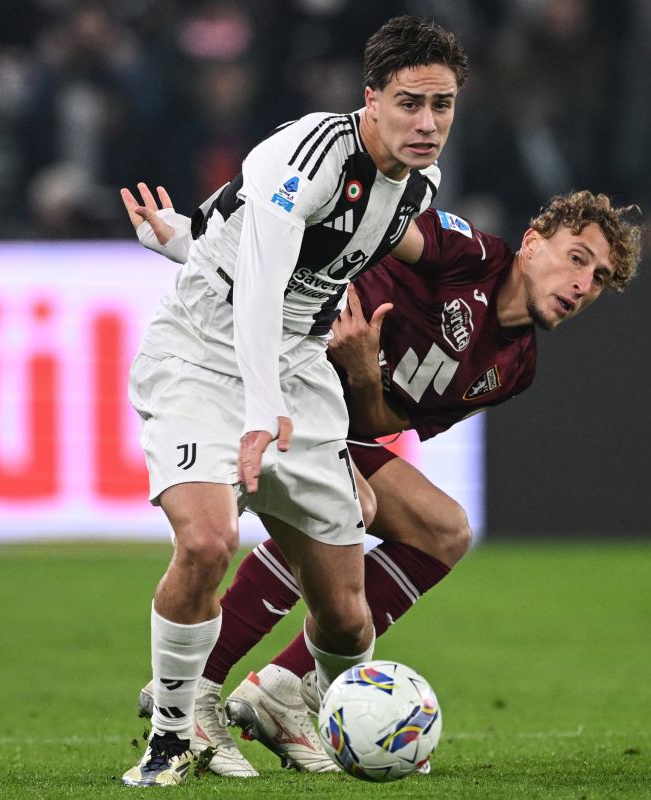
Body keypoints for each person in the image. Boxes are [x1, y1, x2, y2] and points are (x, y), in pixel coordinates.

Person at [123, 183, 643, 776]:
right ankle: (197, 689)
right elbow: (371, 219)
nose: (583, 283)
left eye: (599, 278)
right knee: (356, 505)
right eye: (577, 257)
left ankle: (284, 688)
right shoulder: (467, 253)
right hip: (270, 371)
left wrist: (365, 372)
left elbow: (379, 423)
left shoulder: (513, 366)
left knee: (443, 531)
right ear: (531, 243)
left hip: (328, 416)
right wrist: (202, 240)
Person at [120, 16, 469, 788]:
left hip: (300, 371)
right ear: (370, 98)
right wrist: (258, 414)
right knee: (207, 541)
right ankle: (172, 736)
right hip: (203, 353)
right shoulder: (307, 154)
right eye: (410, 103)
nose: (427, 122)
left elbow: (263, 241)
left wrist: (180, 237)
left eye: (442, 105)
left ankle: (308, 709)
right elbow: (258, 286)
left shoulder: (419, 186)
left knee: (345, 614)